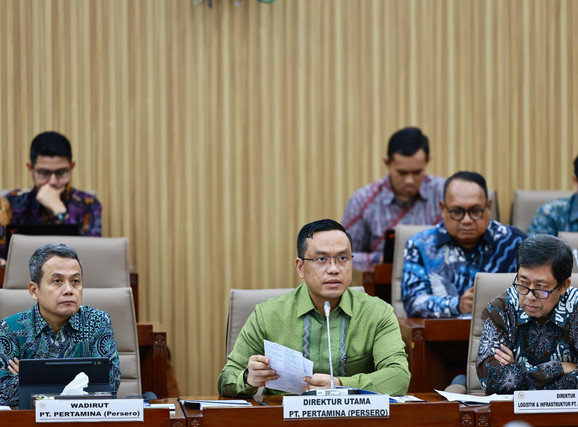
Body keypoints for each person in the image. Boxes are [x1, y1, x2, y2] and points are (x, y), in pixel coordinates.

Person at [218, 219, 410, 397]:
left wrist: (340, 384)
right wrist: (248, 378)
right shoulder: (267, 315)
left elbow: (399, 377)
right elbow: (226, 380)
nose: (334, 268)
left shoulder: (377, 313)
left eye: (343, 258)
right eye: (321, 259)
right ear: (300, 267)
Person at [0, 243, 120, 406]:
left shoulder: (98, 323)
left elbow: (109, 388)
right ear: (34, 291)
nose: (69, 290)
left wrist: (30, 379)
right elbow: (3, 394)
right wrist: (74, 384)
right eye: (57, 281)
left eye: (75, 281)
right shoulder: (11, 328)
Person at [477, 234, 578, 393]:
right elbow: (492, 380)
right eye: (523, 283)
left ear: (564, 285)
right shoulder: (499, 310)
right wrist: (558, 367)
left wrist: (518, 370)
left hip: (574, 411)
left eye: (541, 287)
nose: (529, 296)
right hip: (514, 412)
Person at [401, 171, 526, 318]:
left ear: (488, 207)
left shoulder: (514, 242)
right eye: (457, 211)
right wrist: (457, 305)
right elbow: (413, 302)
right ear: (443, 209)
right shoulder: (420, 245)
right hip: (443, 337)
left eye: (475, 211)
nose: (466, 220)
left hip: (504, 337)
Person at [0, 131, 102, 268]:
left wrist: (60, 211)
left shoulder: (88, 204)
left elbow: (92, 257)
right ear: (31, 168)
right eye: (44, 173)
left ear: (71, 167)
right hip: (20, 284)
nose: (52, 181)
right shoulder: (12, 201)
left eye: (61, 172)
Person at [342, 127, 444, 272]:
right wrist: (381, 260)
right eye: (401, 172)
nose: (409, 180)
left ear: (427, 161)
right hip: (379, 289)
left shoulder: (445, 194)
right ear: (387, 163)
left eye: (417, 172)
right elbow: (343, 256)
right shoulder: (362, 201)